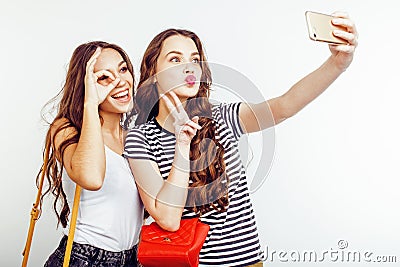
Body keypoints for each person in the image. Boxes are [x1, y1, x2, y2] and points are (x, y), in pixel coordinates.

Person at [124, 12, 358, 266]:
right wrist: (182, 145)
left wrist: (337, 64)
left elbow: (284, 106)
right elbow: (168, 218)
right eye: (175, 59)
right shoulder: (140, 138)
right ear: (153, 72)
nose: (189, 66)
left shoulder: (222, 116)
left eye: (194, 59)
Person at [40, 41, 143, 266]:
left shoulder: (135, 138)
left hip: (132, 259)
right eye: (104, 77)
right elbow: (92, 178)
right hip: (85, 259)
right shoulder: (67, 130)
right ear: (86, 85)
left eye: (123, 69)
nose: (119, 81)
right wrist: (90, 103)